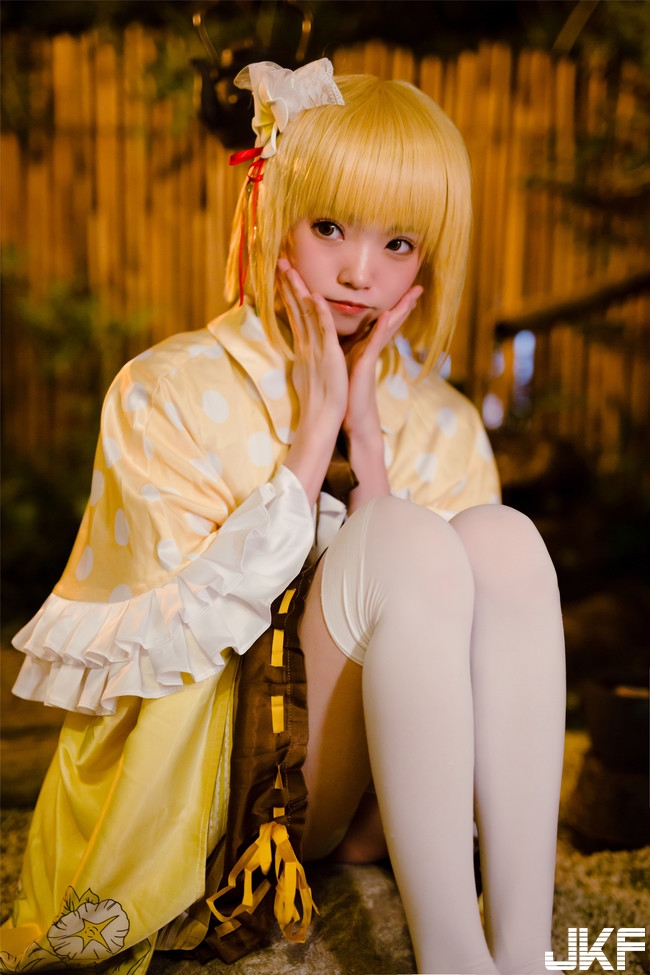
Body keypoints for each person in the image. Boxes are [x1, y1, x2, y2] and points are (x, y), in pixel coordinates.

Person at [0, 59, 566, 975]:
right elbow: (176, 658)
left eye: (398, 243)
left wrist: (368, 439)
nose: (359, 272)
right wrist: (312, 440)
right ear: (272, 211)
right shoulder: (164, 390)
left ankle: (526, 951)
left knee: (503, 539)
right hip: (227, 794)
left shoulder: (444, 420)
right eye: (330, 226)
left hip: (366, 805)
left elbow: (452, 651)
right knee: (402, 537)